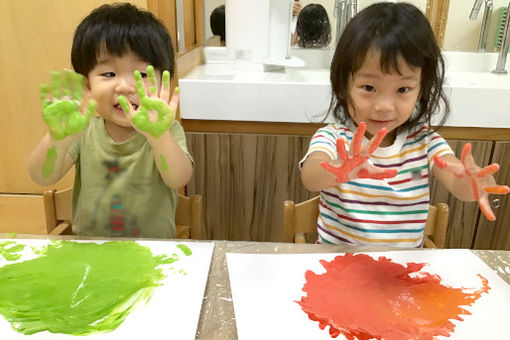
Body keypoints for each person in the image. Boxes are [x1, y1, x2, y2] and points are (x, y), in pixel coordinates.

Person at [300, 3, 509, 247]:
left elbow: (454, 177)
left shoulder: (425, 142)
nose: (384, 105)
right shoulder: (334, 137)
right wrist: (338, 168)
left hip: (401, 271)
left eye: (402, 89)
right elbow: (311, 176)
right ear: (343, 85)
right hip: (337, 266)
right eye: (369, 88)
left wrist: (472, 183)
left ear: (421, 90)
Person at [28, 3, 193, 238]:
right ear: (87, 85)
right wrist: (58, 137)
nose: (124, 86)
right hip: (91, 251)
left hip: (153, 253)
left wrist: (158, 137)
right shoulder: (83, 131)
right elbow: (41, 176)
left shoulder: (167, 131)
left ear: (163, 81)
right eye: (109, 74)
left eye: (142, 75)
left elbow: (178, 178)